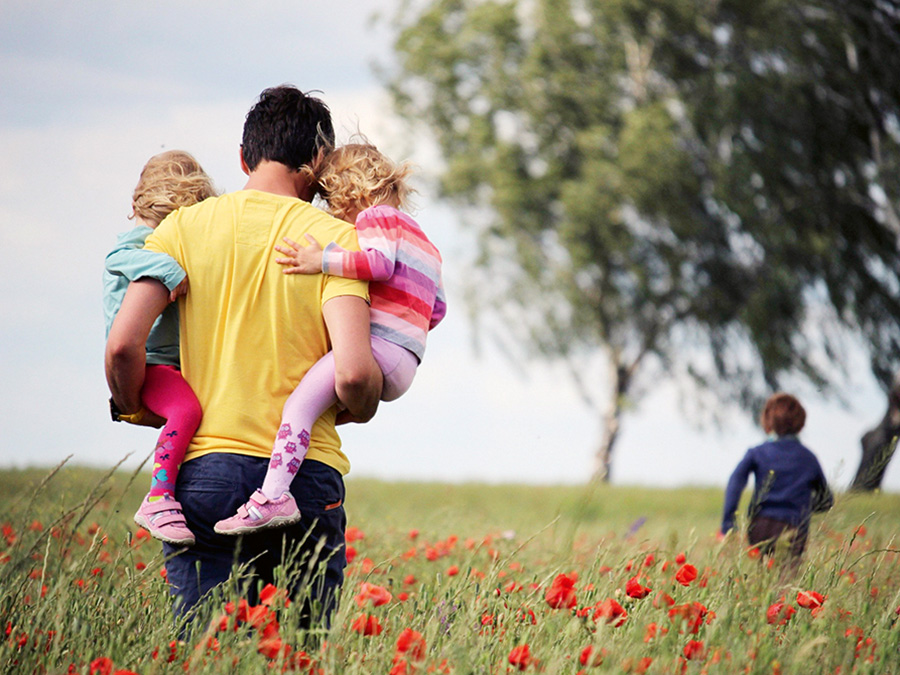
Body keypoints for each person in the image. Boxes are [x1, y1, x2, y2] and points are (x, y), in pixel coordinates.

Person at [105, 85, 383, 626]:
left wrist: (133, 402)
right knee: (299, 654)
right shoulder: (336, 242)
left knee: (206, 650)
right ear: (319, 161)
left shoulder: (182, 228)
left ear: (243, 156)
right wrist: (364, 402)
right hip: (304, 478)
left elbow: (122, 343)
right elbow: (352, 373)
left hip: (204, 473)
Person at [214, 142, 446, 535]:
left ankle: (273, 496)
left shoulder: (376, 218)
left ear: (349, 191)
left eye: (333, 202)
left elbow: (377, 263)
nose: (336, 215)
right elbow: (436, 309)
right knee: (321, 405)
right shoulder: (426, 242)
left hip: (379, 349)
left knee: (299, 406)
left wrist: (320, 260)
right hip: (407, 361)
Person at [103, 150, 216, 546]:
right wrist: (170, 270)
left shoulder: (159, 239)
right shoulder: (141, 241)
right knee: (187, 410)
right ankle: (159, 497)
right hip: (150, 363)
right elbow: (118, 257)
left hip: (168, 363)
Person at [720, 392, 833, 562]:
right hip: (794, 527)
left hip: (760, 525)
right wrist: (802, 507)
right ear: (800, 423)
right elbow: (826, 500)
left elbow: (735, 483)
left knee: (764, 575)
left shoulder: (757, 453)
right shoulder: (809, 458)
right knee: (787, 580)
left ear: (767, 421)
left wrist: (728, 524)